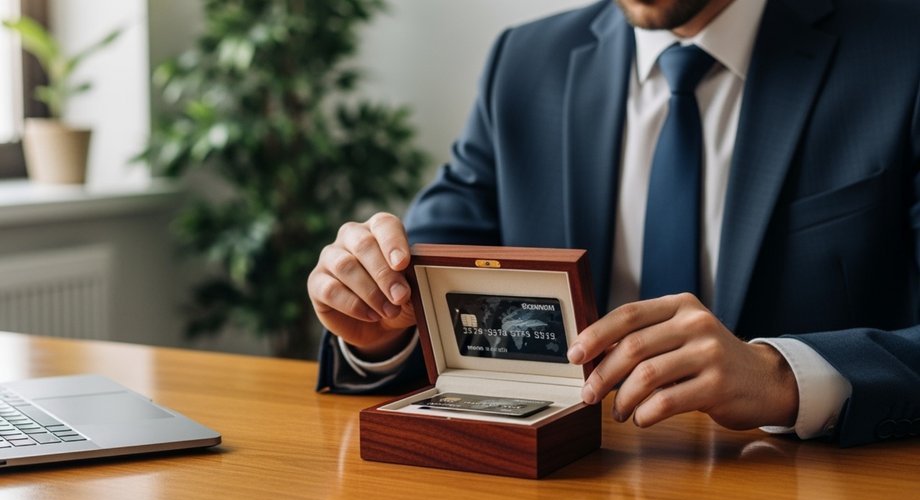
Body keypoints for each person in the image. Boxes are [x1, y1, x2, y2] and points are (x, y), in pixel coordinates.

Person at [308, 0, 920, 446]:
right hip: (571, 482)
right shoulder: (524, 63)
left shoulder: (902, 51)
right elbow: (427, 284)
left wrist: (781, 377)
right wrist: (381, 322)